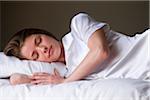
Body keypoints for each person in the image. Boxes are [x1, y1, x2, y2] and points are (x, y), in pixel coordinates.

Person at [4, 13, 150, 85]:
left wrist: (65, 82)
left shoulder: (78, 24)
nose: (43, 49)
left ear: (44, 33)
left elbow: (101, 51)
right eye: (35, 55)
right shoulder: (67, 71)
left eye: (39, 40)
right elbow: (16, 79)